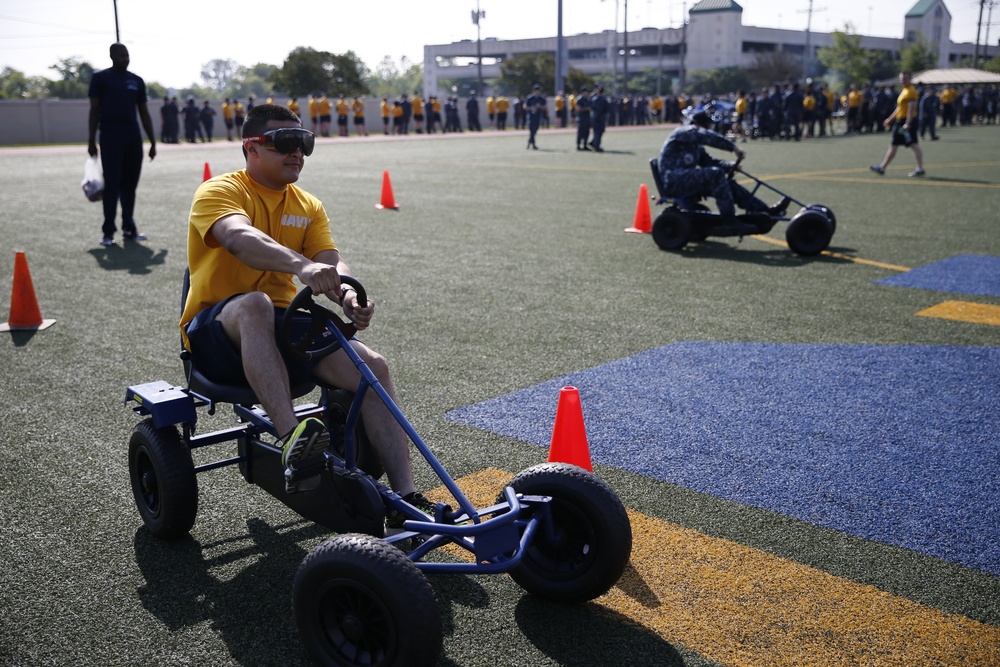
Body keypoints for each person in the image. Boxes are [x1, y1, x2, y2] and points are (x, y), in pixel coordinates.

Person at [180, 103, 435, 518]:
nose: (297, 151)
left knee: (375, 368)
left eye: (304, 142)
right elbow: (238, 237)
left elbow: (330, 260)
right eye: (285, 142)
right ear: (252, 148)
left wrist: (348, 296)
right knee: (255, 305)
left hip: (285, 327)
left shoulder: (308, 205)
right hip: (215, 333)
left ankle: (406, 498)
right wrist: (300, 265)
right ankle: (291, 444)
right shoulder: (220, 190)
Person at [657, 110, 790, 220]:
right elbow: (705, 136)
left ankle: (765, 211)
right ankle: (729, 219)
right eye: (708, 126)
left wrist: (729, 166)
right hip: (674, 181)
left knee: (728, 182)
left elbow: (708, 162)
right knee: (715, 174)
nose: (710, 129)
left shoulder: (695, 147)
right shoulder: (683, 132)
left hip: (685, 181)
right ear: (698, 124)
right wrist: (732, 147)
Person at [87, 43, 156, 247]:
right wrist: (91, 140)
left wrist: (152, 141)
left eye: (127, 55)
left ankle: (129, 227)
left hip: (133, 138)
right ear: (111, 56)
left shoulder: (136, 81)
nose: (125, 59)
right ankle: (108, 231)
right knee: (112, 185)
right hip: (110, 137)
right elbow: (94, 110)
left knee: (130, 185)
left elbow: (144, 112)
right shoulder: (100, 79)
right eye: (121, 55)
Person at [870, 71, 925, 178]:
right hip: (901, 121)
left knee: (910, 144)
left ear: (910, 79)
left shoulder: (911, 92)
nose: (902, 81)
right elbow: (899, 108)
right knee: (901, 144)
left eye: (905, 79)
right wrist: (890, 119)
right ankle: (883, 167)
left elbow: (911, 108)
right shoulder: (904, 90)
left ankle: (883, 167)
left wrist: (908, 123)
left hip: (905, 122)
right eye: (901, 79)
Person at [524, 84, 545, 149]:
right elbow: (525, 106)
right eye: (537, 90)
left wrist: (540, 107)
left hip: (538, 116)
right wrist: (531, 108)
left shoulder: (541, 98)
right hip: (531, 116)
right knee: (532, 129)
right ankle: (533, 144)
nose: (538, 92)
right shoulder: (529, 98)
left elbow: (545, 107)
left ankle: (530, 141)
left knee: (535, 130)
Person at [589, 86, 609, 152]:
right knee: (599, 132)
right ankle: (596, 146)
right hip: (601, 118)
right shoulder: (604, 99)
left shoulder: (594, 99)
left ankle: (593, 142)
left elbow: (591, 107)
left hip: (594, 117)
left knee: (596, 132)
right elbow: (607, 109)